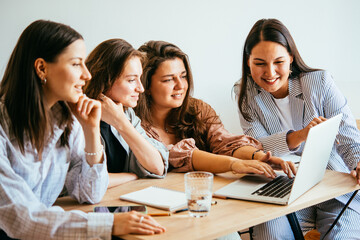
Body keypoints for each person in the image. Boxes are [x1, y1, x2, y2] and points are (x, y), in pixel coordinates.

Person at [0, 20, 165, 239]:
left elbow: (90, 193)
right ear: (42, 68)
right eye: (76, 64)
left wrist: (90, 130)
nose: (87, 75)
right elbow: (21, 219)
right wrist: (109, 223)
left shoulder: (68, 121)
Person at [236, 18, 360, 239]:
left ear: (291, 58)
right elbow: (257, 148)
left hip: (332, 186)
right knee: (270, 235)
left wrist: (358, 163)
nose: (270, 72)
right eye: (260, 63)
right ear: (248, 62)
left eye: (279, 62)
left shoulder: (319, 82)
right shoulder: (245, 94)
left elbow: (348, 138)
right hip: (282, 188)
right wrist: (301, 135)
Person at [136, 40, 296, 180]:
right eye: (168, 79)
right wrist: (235, 164)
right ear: (146, 85)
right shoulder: (135, 123)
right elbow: (178, 155)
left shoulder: (197, 109)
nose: (180, 86)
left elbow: (226, 142)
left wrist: (259, 157)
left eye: (183, 76)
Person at [84, 39, 169, 188]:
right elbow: (87, 181)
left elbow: (158, 166)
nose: (141, 88)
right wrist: (130, 176)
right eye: (131, 80)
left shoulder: (126, 114)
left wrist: (121, 123)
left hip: (115, 200)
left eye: (139, 79)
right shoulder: (77, 116)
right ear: (105, 80)